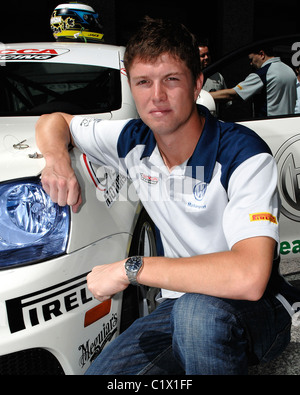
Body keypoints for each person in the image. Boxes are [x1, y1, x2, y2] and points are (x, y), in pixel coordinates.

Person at [35, 17, 299, 375]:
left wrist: (131, 269)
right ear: (132, 86)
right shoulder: (133, 139)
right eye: (144, 82)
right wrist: (55, 162)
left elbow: (249, 277)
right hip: (177, 305)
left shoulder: (243, 154)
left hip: (259, 310)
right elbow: (55, 120)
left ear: (197, 85)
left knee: (198, 313)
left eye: (171, 80)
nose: (156, 96)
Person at [210, 46, 297, 117]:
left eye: (251, 59)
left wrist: (203, 95)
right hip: (288, 125)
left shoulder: (264, 73)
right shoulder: (289, 71)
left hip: (269, 126)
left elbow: (233, 94)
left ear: (261, 54)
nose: (251, 64)